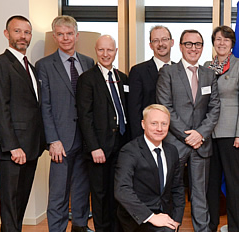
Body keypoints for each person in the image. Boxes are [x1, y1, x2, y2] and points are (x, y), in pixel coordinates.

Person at [155, 29, 221, 232]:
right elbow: (165, 107)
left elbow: (215, 107)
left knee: (200, 193)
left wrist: (200, 134)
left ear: (203, 48)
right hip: (175, 144)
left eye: (198, 44)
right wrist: (188, 135)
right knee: (170, 192)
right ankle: (168, 228)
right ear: (181, 46)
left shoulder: (210, 74)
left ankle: (202, 229)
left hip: (201, 144)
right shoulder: (168, 72)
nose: (193, 48)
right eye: (189, 44)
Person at [0, 15, 46, 232]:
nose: (23, 36)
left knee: (20, 203)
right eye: (17, 31)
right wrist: (12, 146)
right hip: (13, 149)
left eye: (27, 32)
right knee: (10, 204)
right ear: (6, 34)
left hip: (31, 147)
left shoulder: (30, 67)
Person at [36, 15, 95, 232]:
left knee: (81, 188)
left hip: (85, 138)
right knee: (59, 192)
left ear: (76, 35)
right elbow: (45, 106)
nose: (65, 38)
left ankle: (80, 226)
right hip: (61, 139)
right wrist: (53, 140)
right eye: (60, 34)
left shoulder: (88, 62)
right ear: (54, 36)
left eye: (69, 34)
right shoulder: (44, 65)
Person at [203, 25, 239, 232]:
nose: (221, 43)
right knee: (210, 185)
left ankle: (238, 228)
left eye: (226, 39)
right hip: (208, 134)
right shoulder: (206, 66)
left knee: (236, 186)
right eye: (218, 39)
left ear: (232, 44)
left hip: (232, 135)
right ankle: (211, 224)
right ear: (213, 42)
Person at [77, 35, 129, 232]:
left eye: (110, 50)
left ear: (115, 51)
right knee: (100, 195)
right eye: (101, 50)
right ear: (96, 51)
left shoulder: (122, 77)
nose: (106, 54)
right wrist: (94, 147)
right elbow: (85, 116)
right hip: (99, 148)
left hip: (121, 145)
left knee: (119, 193)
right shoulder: (87, 79)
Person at [115, 104, 185, 232]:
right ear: (143, 124)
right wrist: (151, 217)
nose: (159, 128)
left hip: (165, 215)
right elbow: (122, 190)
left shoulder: (172, 151)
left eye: (164, 124)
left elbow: (178, 188)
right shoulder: (130, 151)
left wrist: (177, 220)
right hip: (138, 216)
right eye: (154, 123)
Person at [128, 25, 174, 138]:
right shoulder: (138, 71)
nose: (161, 44)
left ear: (172, 42)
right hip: (148, 137)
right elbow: (134, 111)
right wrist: (140, 141)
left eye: (164, 39)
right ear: (150, 45)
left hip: (176, 139)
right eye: (155, 41)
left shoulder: (180, 71)